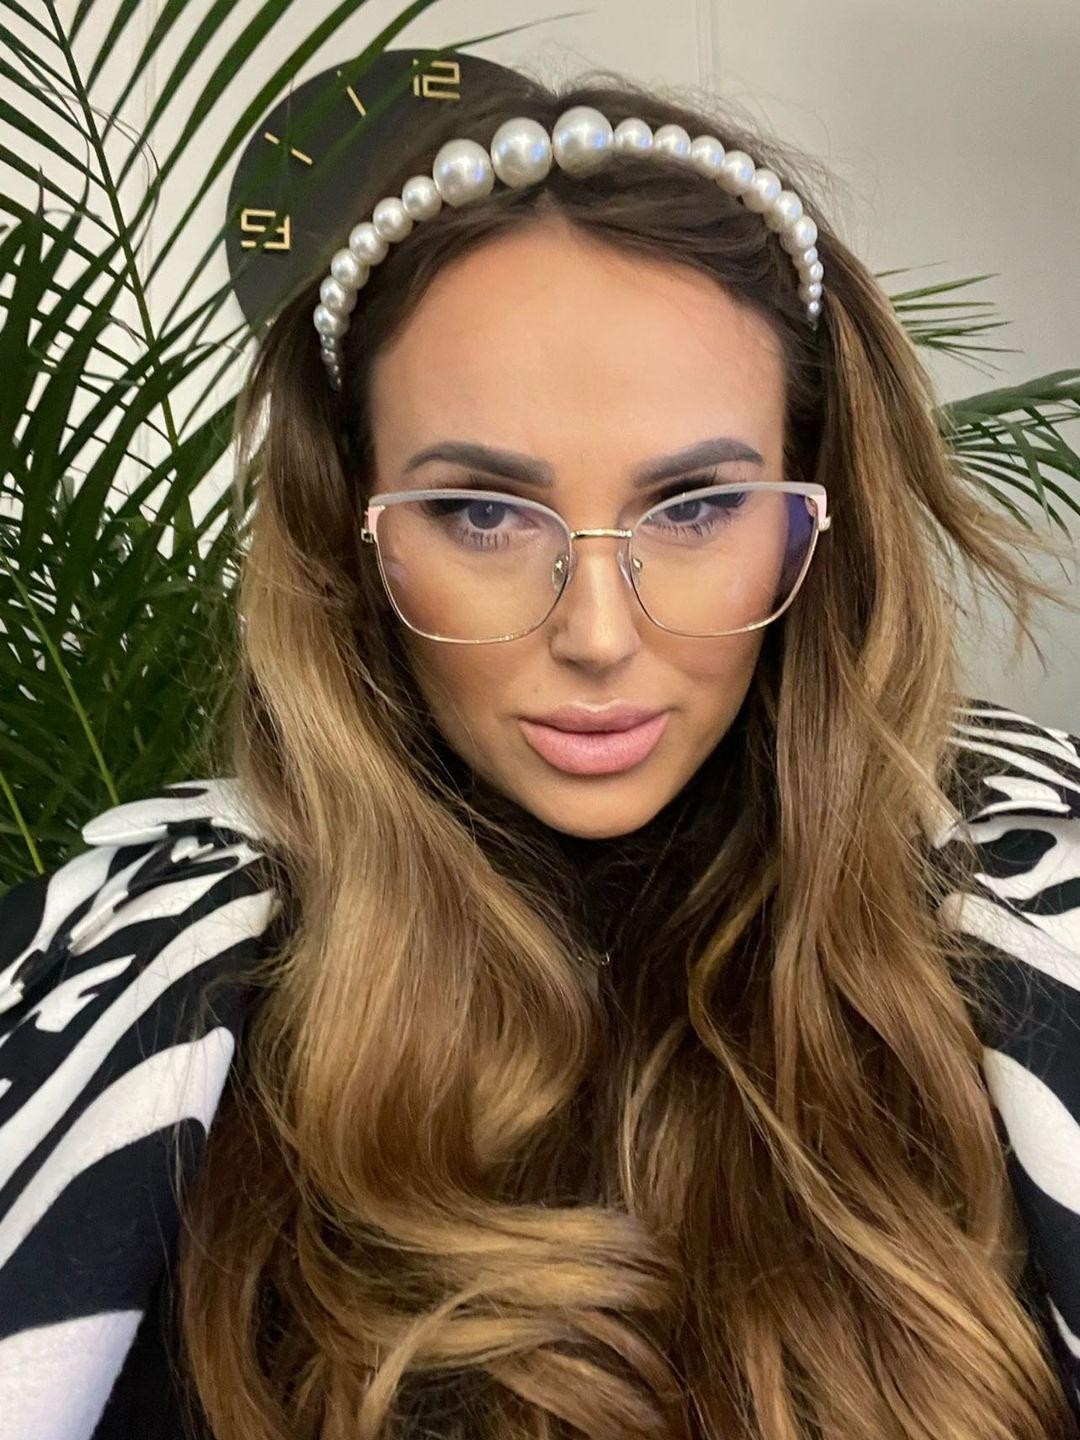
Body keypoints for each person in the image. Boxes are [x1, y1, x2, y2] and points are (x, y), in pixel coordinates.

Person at [1, 68, 1079, 1440]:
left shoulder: (1032, 914)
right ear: (352, 529)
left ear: (818, 518)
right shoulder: (115, 981)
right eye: (481, 513)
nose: (598, 635)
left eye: (696, 506)